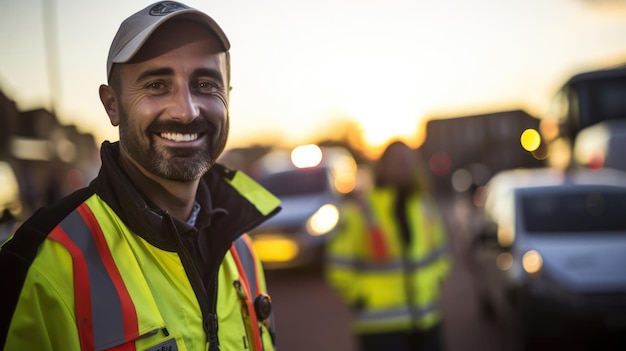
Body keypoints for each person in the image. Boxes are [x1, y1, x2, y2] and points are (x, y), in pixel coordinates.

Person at [0, 2, 281, 350]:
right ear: (112, 104)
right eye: (157, 85)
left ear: (229, 98)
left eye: (206, 84)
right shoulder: (40, 264)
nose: (186, 111)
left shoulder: (243, 252)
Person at [325, 140, 451, 351]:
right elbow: (338, 266)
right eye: (397, 161)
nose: (404, 166)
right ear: (382, 166)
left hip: (426, 319)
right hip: (380, 326)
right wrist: (361, 298)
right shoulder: (361, 210)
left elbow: (441, 255)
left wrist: (434, 284)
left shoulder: (425, 206)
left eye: (408, 160)